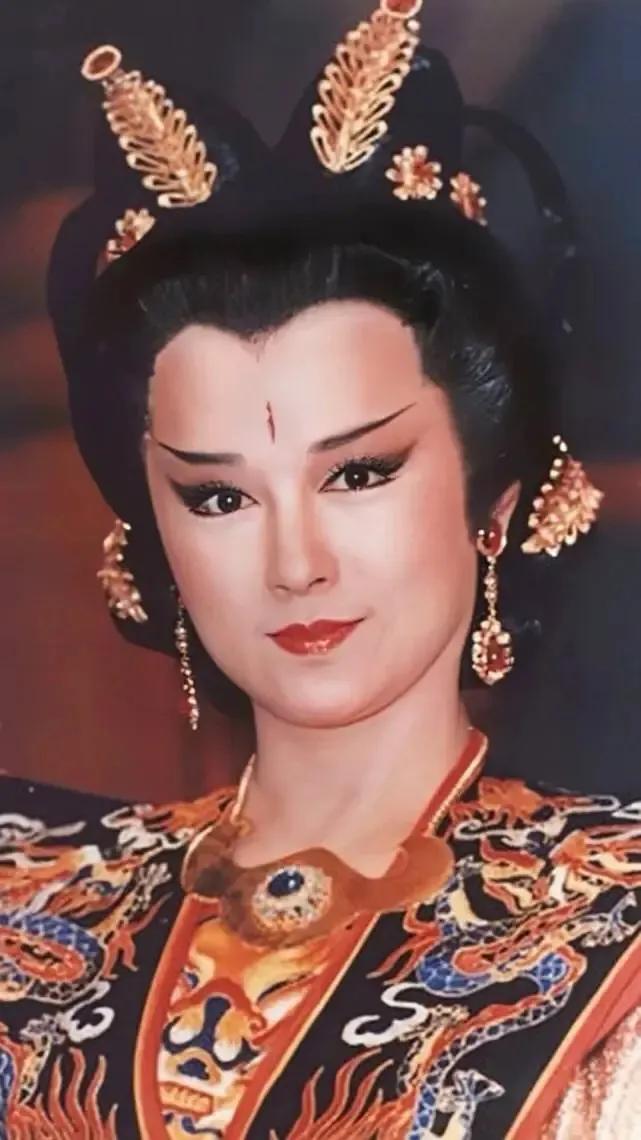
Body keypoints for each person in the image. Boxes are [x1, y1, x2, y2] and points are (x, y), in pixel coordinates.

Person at [1, 3, 639, 1137]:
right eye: (218, 497)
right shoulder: (31, 905)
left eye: (358, 474)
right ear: (153, 536)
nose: (293, 563)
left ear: (491, 499)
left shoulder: (610, 932)